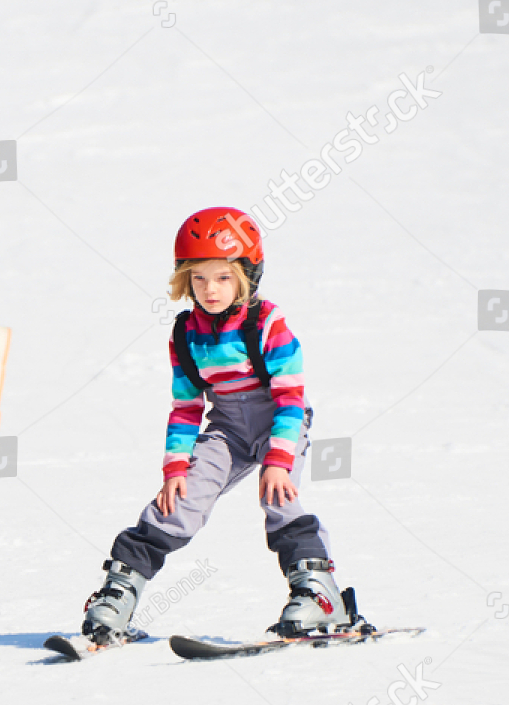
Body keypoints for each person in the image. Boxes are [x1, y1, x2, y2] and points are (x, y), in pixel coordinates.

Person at [80, 207, 353, 644]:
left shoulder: (266, 323)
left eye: (223, 277)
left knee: (279, 500)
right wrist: (174, 470)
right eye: (199, 277)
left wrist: (279, 460)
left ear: (247, 275)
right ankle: (118, 595)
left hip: (279, 422)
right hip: (226, 427)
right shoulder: (185, 332)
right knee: (178, 503)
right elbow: (186, 406)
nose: (210, 289)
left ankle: (318, 595)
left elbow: (290, 396)